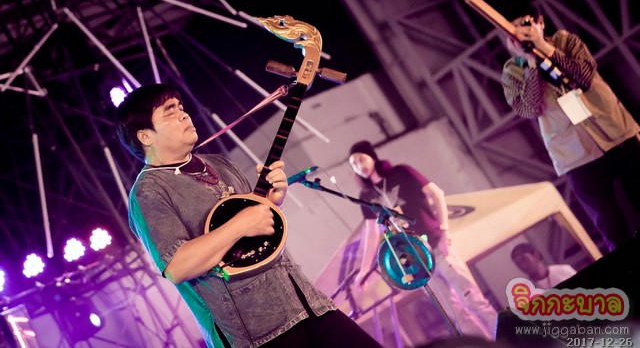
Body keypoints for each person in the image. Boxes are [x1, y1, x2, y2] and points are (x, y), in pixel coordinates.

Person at [115, 83, 381, 348]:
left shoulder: (219, 163)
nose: (183, 114)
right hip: (257, 335)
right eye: (170, 111)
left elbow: (254, 236)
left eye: (181, 107)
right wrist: (240, 224)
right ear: (145, 136)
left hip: (307, 303)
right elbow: (177, 266)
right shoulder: (148, 192)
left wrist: (272, 202)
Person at [501, 7, 640, 252]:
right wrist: (531, 63)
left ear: (540, 22)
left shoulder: (565, 41)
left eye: (524, 25)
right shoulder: (513, 69)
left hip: (616, 134)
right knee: (611, 227)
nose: (519, 35)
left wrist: (543, 47)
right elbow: (530, 110)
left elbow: (584, 75)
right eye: (511, 31)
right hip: (575, 156)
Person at [347, 140, 498, 340]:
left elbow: (437, 193)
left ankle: (507, 341)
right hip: (416, 260)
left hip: (436, 244)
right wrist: (364, 271)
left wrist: (444, 231)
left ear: (372, 156)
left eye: (361, 159)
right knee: (455, 314)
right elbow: (372, 234)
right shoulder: (365, 196)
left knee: (473, 299)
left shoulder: (401, 172)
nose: (359, 166)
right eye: (354, 164)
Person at [510, 243, 577, 289]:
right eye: (518, 264)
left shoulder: (564, 270)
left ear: (536, 255)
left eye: (524, 259)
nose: (523, 266)